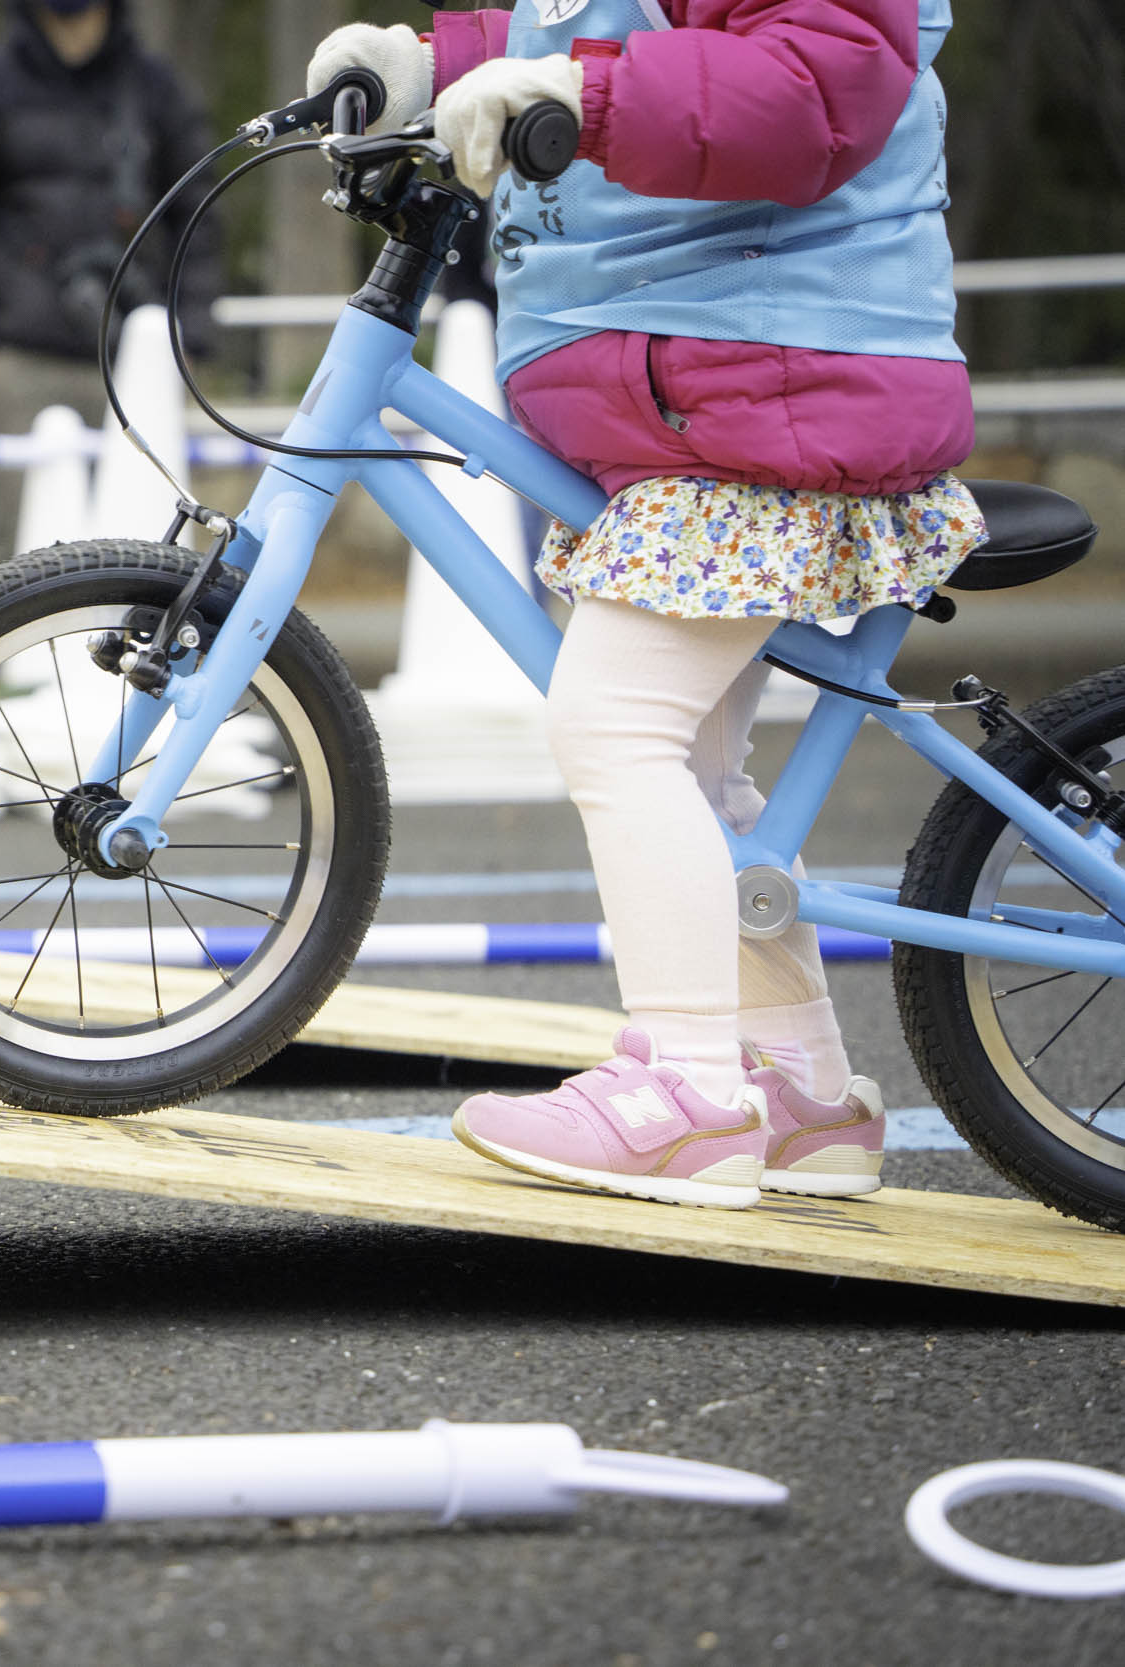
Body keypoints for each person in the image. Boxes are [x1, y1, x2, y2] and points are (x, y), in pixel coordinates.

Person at [306, 1, 980, 1209]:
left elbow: (815, 82)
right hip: (714, 391)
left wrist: (583, 94)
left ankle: (686, 1097)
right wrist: (427, 67)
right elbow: (578, 23)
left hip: (775, 379)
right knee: (697, 780)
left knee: (613, 726)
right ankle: (796, 1089)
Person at [0, 0, 222, 568]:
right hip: (21, 358)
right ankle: (8, 662)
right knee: (14, 560)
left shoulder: (154, 89)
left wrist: (188, 339)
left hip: (136, 362)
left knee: (153, 552)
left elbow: (200, 213)